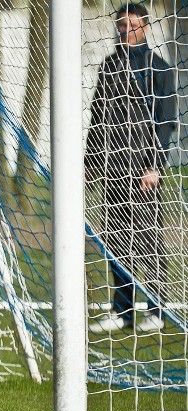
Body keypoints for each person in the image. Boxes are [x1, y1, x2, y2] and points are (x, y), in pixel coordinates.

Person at [85, 3, 176, 334]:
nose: (124, 31)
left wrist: (156, 166)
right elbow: (98, 121)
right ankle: (122, 313)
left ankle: (157, 311)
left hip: (144, 174)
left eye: (131, 26)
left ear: (145, 28)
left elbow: (165, 122)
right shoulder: (108, 67)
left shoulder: (158, 68)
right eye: (120, 26)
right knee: (116, 244)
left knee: (148, 243)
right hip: (113, 171)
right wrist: (89, 168)